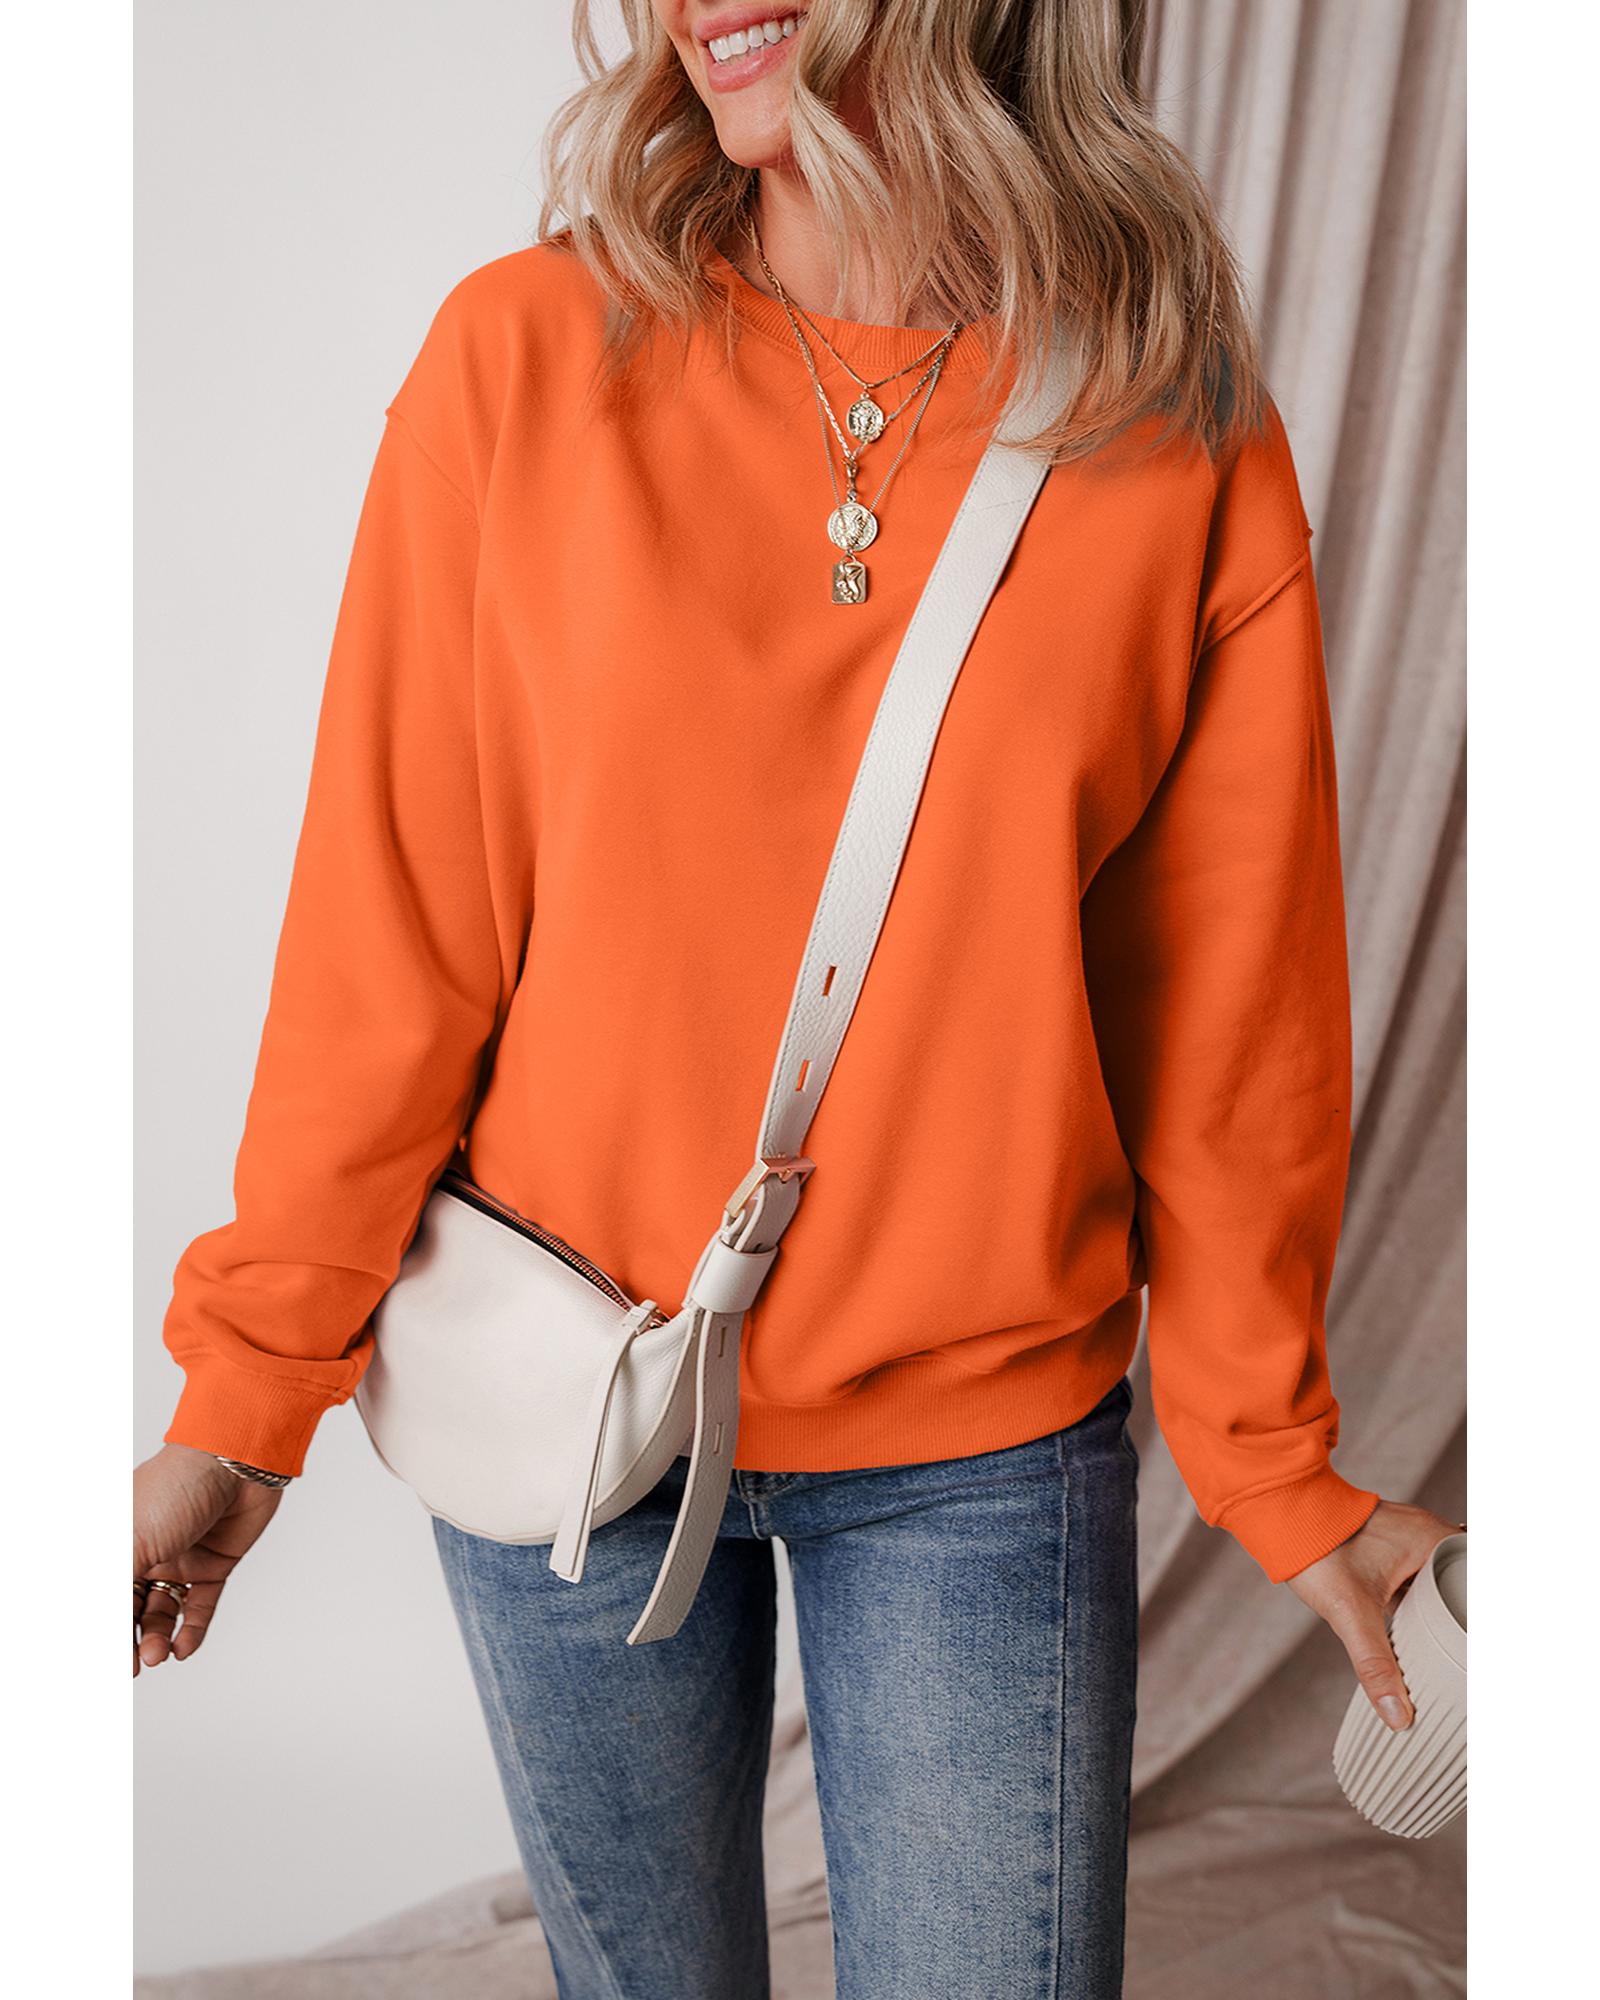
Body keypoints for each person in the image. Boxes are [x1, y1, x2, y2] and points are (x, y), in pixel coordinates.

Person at [133, 4, 1463, 1995]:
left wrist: (1272, 1463)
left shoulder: (1168, 424)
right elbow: (386, 946)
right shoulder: (523, 359)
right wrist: (241, 1416)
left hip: (980, 1439)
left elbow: (1226, 1026)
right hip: (565, 1397)